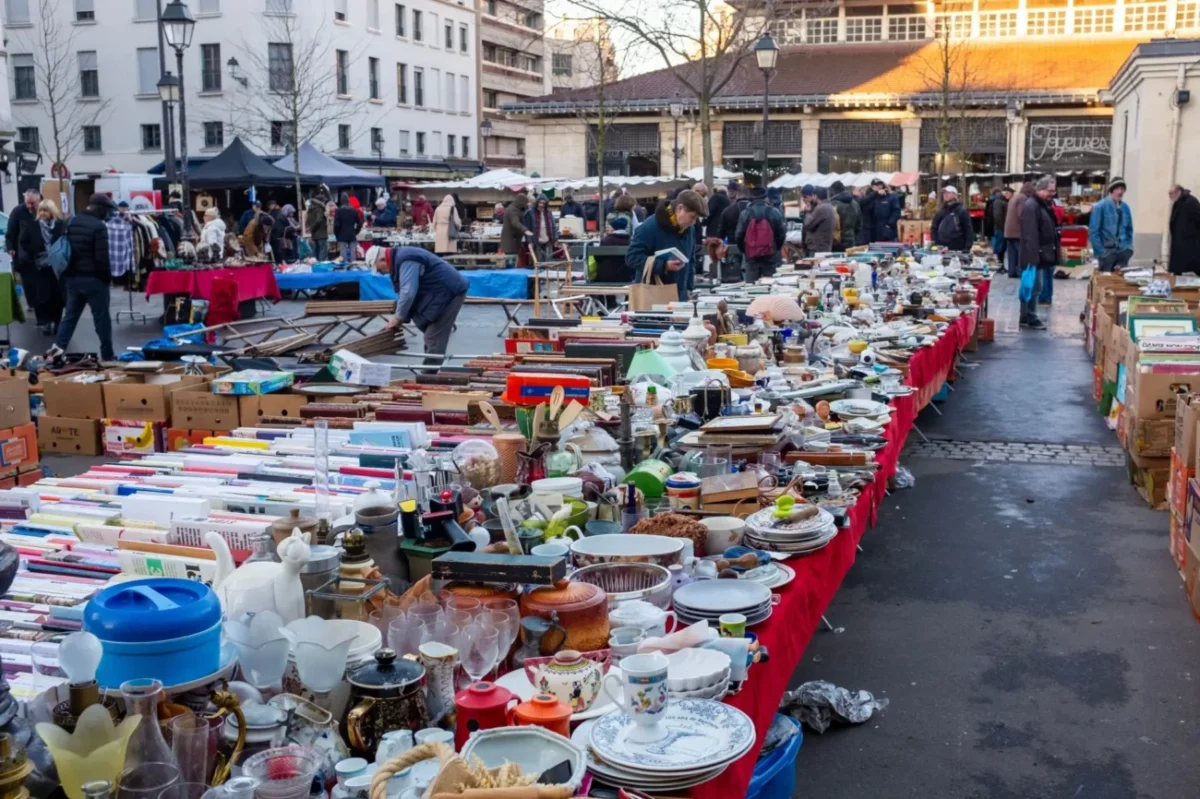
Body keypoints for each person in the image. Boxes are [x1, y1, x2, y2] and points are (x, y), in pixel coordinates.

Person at [367, 244, 469, 363]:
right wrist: (400, 318)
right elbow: (405, 292)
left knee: (433, 337)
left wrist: (398, 317)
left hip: (449, 292)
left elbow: (408, 292)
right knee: (429, 333)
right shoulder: (399, 259)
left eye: (379, 269)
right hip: (439, 292)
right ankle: (430, 373)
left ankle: (428, 376)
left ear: (382, 259)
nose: (381, 273)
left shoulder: (406, 259)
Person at [48, 193, 114, 361]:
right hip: (94, 281)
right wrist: (107, 278)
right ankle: (107, 355)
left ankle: (56, 352)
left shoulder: (70, 221)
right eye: (106, 210)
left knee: (69, 317)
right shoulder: (99, 226)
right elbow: (102, 259)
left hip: (72, 279)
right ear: (99, 208)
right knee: (101, 320)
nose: (107, 214)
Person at [624, 189, 706, 301]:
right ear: (680, 208)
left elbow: (691, 260)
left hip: (680, 296)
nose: (694, 222)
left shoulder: (689, 229)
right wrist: (664, 266)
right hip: (653, 296)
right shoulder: (649, 227)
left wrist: (688, 288)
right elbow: (632, 258)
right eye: (693, 217)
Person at [1018, 175, 1058, 330]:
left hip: (1038, 253)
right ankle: (1030, 316)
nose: (1052, 194)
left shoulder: (1040, 205)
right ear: (1041, 189)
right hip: (1034, 255)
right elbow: (1030, 234)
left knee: (1032, 286)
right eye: (1050, 191)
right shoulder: (1032, 206)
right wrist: (1033, 258)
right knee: (1034, 286)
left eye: (1053, 191)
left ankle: (1027, 315)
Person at [23, 199, 66, 335]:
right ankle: (47, 322)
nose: (42, 213)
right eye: (40, 210)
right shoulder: (33, 225)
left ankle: (57, 322)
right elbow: (24, 241)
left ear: (52, 211)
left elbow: (66, 241)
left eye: (45, 210)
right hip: (41, 267)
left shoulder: (60, 225)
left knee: (58, 297)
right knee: (43, 297)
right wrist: (36, 252)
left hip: (57, 267)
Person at [734, 187, 786, 282]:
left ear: (752, 198)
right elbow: (782, 233)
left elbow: (738, 235)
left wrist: (745, 249)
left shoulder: (745, 213)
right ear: (766, 197)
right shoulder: (774, 212)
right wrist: (776, 247)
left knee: (751, 287)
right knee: (770, 285)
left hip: (751, 256)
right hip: (770, 256)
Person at [7, 190, 42, 318]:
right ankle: (32, 303)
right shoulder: (18, 211)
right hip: (24, 255)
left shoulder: (44, 208)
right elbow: (11, 232)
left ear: (39, 200)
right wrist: (10, 247)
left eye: (32, 203)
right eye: (27, 203)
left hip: (41, 254)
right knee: (28, 282)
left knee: (42, 281)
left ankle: (42, 303)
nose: (29, 206)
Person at [1089, 178, 1134, 273]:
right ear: (1111, 190)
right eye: (1117, 189)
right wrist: (1101, 253)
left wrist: (1129, 248)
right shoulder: (1100, 207)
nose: (1120, 192)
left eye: (1122, 189)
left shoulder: (1125, 207)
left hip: (1123, 252)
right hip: (1107, 253)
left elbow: (1129, 230)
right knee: (1105, 283)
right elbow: (1093, 233)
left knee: (1120, 284)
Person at [1004, 182, 1035, 278]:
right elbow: (1021, 214)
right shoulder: (1023, 198)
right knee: (1021, 254)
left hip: (1009, 231)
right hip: (1017, 231)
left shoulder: (1014, 197)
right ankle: (1021, 272)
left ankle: (1011, 272)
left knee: (1012, 254)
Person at [1169, 184, 1200, 275]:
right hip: (1179, 241)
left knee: (1194, 266)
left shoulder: (1191, 202)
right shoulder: (1177, 203)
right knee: (1177, 268)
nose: (1170, 196)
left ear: (1178, 192)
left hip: (1191, 242)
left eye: (1171, 193)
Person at [931, 186, 973, 251]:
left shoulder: (962, 211)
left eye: (948, 192)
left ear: (955, 195)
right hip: (942, 249)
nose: (945, 194)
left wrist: (967, 247)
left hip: (958, 249)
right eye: (944, 193)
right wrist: (935, 243)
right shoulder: (941, 212)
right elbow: (934, 228)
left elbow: (968, 229)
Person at [801, 185, 836, 255]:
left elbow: (808, 225)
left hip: (817, 247)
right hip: (823, 246)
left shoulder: (821, 208)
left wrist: (807, 212)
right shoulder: (829, 206)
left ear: (815, 196)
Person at [829, 181, 861, 251]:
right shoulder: (855, 204)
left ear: (834, 191)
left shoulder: (833, 204)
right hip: (851, 240)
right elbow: (859, 224)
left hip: (837, 242)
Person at [107, 200, 135, 277]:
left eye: (125, 208)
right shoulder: (113, 218)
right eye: (122, 208)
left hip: (115, 251)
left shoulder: (129, 219)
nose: (124, 210)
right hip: (118, 250)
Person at [525, 196, 557, 262]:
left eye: (543, 203)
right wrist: (529, 242)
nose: (541, 205)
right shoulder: (530, 212)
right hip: (536, 240)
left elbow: (553, 226)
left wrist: (555, 238)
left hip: (548, 239)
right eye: (540, 203)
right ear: (537, 203)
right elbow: (526, 229)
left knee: (549, 262)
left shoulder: (548, 212)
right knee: (539, 262)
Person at [500, 195, 530, 265]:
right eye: (525, 203)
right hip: (511, 240)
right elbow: (515, 223)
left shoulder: (515, 208)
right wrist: (525, 230)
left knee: (512, 259)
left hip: (513, 240)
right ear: (521, 202)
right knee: (511, 261)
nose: (526, 205)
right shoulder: (513, 210)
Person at [334, 195, 362, 262]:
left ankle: (345, 268)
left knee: (343, 253)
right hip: (352, 234)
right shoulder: (353, 210)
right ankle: (353, 267)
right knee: (353, 253)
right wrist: (356, 231)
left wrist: (336, 234)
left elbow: (336, 225)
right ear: (348, 201)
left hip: (341, 234)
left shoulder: (338, 211)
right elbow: (360, 223)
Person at [992, 187, 1012, 258]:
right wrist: (1003, 226)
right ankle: (998, 263)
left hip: (1001, 227)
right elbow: (998, 215)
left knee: (1000, 245)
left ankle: (1000, 262)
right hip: (1000, 228)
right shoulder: (1000, 201)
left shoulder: (1001, 201)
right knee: (999, 246)